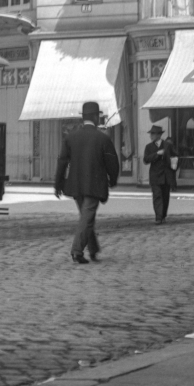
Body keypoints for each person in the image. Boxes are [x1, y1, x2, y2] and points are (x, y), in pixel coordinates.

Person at [54, 101, 121, 264]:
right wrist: (112, 180)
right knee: (87, 218)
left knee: (86, 217)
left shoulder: (71, 137)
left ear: (83, 117)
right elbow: (113, 163)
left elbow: (62, 161)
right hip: (95, 185)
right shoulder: (102, 138)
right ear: (95, 117)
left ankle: (93, 249)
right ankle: (77, 251)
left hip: (76, 185)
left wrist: (58, 184)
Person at [143, 125, 177, 224]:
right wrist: (157, 154)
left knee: (165, 196)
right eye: (151, 134)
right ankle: (158, 217)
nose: (151, 136)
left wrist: (174, 164)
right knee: (157, 196)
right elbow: (146, 159)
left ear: (159, 135)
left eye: (153, 134)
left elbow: (175, 155)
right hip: (155, 176)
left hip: (166, 176)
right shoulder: (149, 147)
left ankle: (163, 216)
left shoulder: (167, 145)